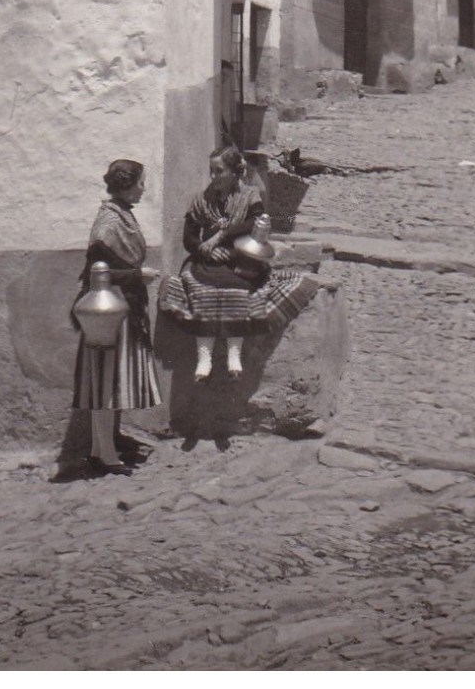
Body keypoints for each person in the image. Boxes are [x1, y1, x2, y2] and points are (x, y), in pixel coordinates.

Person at [159, 146, 320, 381]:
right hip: (208, 261)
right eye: (211, 171)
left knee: (240, 291)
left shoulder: (249, 196)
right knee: (200, 291)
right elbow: (189, 237)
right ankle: (205, 358)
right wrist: (206, 252)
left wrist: (222, 237)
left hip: (240, 260)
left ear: (235, 173)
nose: (213, 177)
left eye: (219, 171)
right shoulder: (202, 199)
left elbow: (255, 223)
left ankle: (234, 355)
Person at [70, 160, 162, 477]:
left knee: (112, 380)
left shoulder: (122, 215)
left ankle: (103, 448)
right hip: (108, 311)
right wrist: (137, 276)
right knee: (106, 381)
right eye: (140, 183)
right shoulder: (108, 223)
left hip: (123, 307)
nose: (143, 188)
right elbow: (96, 272)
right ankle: (105, 454)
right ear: (125, 184)